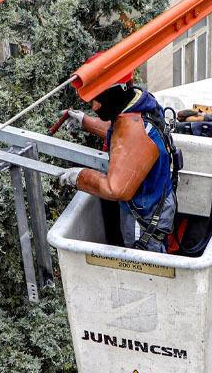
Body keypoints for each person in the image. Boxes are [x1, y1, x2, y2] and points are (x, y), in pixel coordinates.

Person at [58, 69, 177, 253]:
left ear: (115, 92)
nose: (95, 107)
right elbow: (119, 133)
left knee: (145, 268)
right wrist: (85, 122)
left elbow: (116, 189)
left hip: (144, 217)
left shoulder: (135, 130)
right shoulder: (138, 104)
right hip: (157, 200)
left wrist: (79, 177)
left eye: (98, 99)